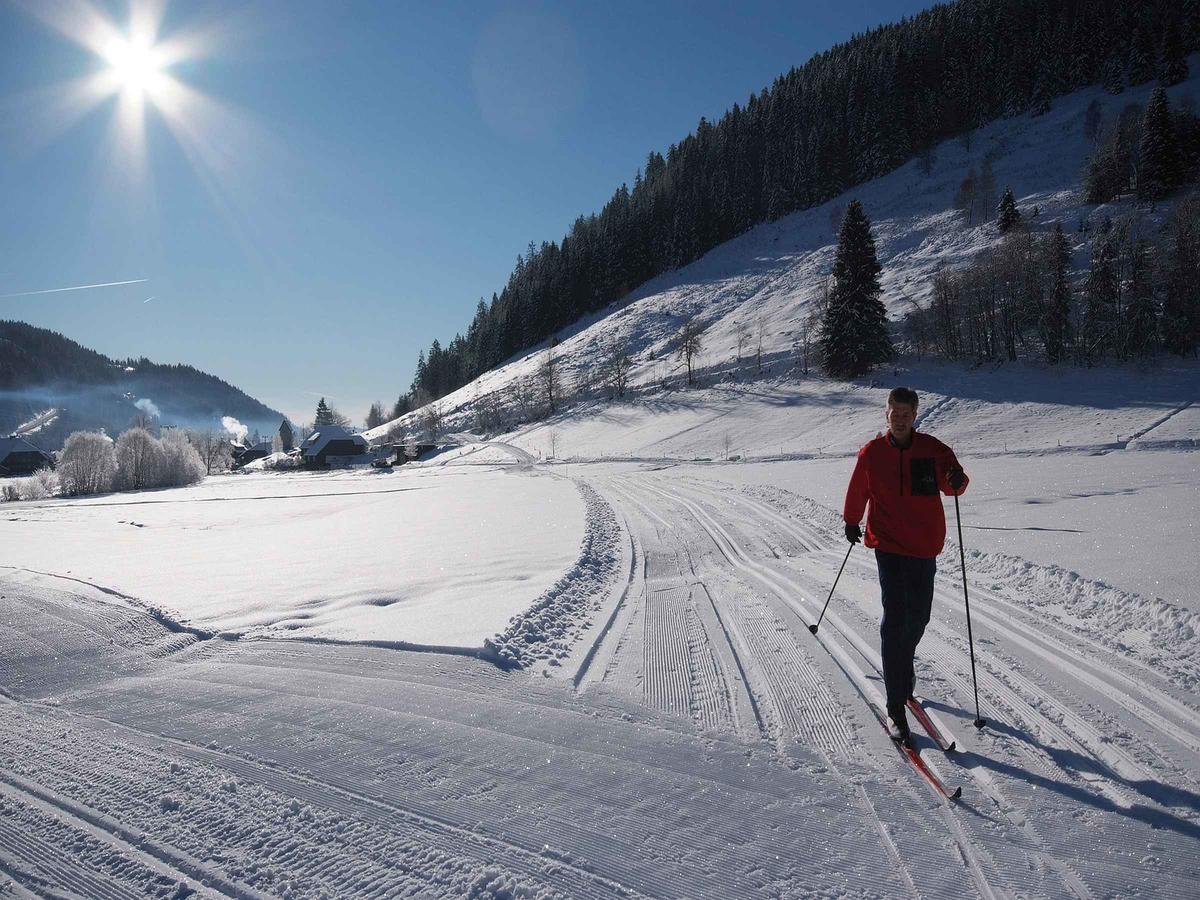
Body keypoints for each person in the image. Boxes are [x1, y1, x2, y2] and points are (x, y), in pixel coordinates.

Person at [843, 387, 968, 745]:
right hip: (888, 545)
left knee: (919, 618)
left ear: (915, 415)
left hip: (924, 545)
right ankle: (895, 704)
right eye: (894, 411)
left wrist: (958, 481)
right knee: (894, 618)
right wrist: (852, 520)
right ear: (887, 414)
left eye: (906, 412)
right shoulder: (873, 453)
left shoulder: (934, 449)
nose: (899, 418)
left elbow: (952, 483)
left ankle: (903, 664)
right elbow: (857, 490)